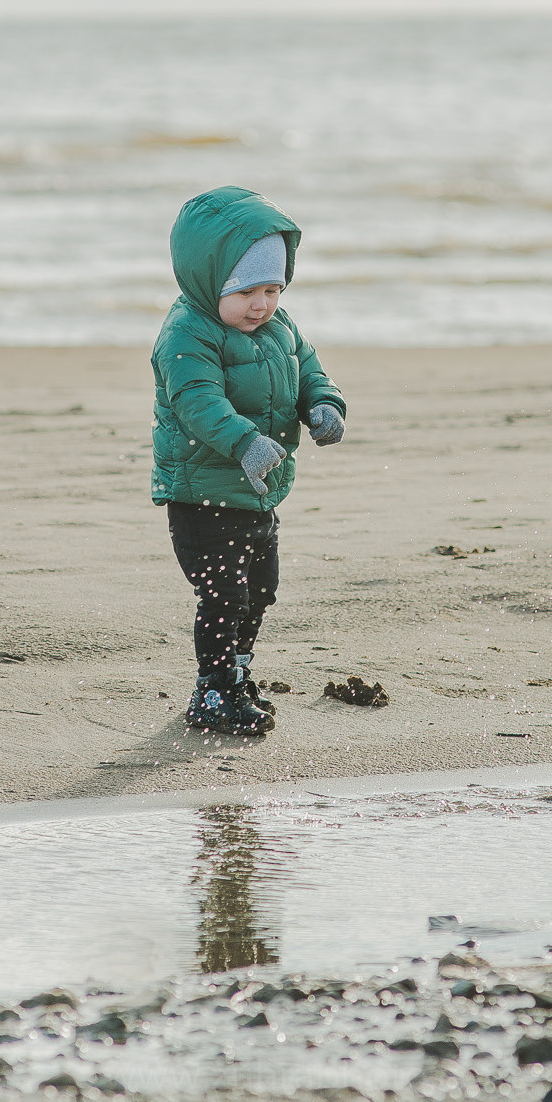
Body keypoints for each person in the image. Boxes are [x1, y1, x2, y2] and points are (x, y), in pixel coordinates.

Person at [151, 186, 346, 736]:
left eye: (272, 289)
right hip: (202, 494)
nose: (260, 305)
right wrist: (244, 442)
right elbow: (197, 402)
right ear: (208, 279)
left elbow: (309, 371)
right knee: (223, 594)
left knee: (260, 589)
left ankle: (238, 674)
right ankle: (212, 690)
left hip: (258, 494)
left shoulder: (279, 327)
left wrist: (324, 405)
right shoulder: (186, 333)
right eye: (244, 292)